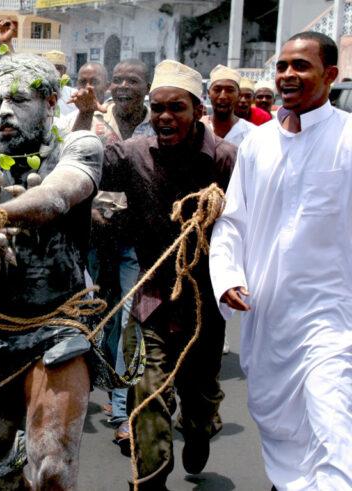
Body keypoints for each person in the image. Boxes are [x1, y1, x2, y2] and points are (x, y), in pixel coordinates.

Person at [0, 52, 102, 489]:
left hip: (59, 323)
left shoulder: (80, 145)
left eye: (18, 100)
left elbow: (56, 196)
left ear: (51, 102)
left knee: (53, 470)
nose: (4, 112)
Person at [210, 31, 352, 490]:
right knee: (285, 429)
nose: (288, 75)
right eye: (282, 66)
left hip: (334, 318)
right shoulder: (259, 144)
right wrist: (227, 276)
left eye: (301, 66)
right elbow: (233, 220)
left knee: (333, 422)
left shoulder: (348, 138)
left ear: (330, 75)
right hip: (269, 318)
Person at [101, 60, 236, 489]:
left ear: (198, 111)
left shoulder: (227, 159)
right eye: (157, 107)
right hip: (152, 298)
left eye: (176, 107)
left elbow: (250, 225)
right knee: (147, 393)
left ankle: (200, 426)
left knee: (199, 397)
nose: (164, 116)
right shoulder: (132, 155)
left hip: (205, 303)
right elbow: (84, 169)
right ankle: (150, 481)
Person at [70, 58, 154, 450]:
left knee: (130, 317)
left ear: (146, 88)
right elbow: (72, 159)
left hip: (137, 240)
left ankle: (123, 412)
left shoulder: (158, 122)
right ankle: (106, 384)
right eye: (117, 80)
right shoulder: (96, 122)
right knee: (100, 319)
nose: (122, 86)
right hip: (95, 237)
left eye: (132, 81)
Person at [200, 65, 255, 146]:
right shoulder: (197, 127)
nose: (223, 96)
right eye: (217, 90)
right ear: (209, 93)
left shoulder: (252, 133)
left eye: (230, 90)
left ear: (238, 95)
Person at [43, 50, 76, 117]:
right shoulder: (35, 93)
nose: (54, 71)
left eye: (58, 68)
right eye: (50, 68)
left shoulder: (73, 94)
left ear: (64, 71)